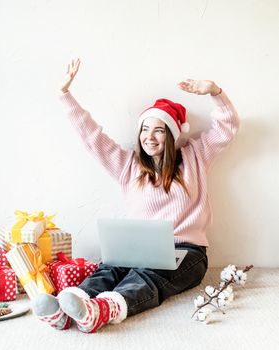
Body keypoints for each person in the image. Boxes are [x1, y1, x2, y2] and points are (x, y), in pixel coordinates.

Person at [32, 58, 240, 333]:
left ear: (171, 135)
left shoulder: (194, 157)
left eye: (158, 130)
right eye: (144, 129)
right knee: (109, 269)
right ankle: (69, 308)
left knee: (146, 276)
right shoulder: (128, 165)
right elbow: (92, 137)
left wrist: (215, 92)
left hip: (186, 253)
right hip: (136, 249)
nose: (149, 137)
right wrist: (65, 95)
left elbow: (228, 126)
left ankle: (104, 309)